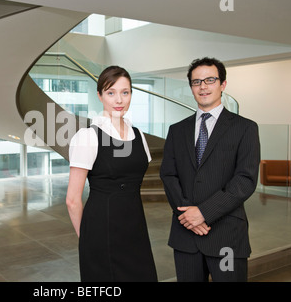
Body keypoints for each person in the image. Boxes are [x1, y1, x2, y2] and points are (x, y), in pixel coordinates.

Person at [160, 57, 260, 282]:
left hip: (226, 235)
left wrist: (203, 213)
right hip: (186, 236)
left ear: (222, 84)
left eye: (210, 80)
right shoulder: (177, 130)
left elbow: (245, 180)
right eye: (196, 82)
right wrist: (186, 216)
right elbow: (168, 175)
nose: (203, 86)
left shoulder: (245, 128)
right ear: (191, 88)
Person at [66, 65, 158, 282]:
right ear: (99, 96)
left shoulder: (139, 134)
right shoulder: (87, 136)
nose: (119, 100)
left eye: (125, 93)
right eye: (111, 92)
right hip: (101, 228)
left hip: (135, 226)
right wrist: (87, 239)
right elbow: (72, 200)